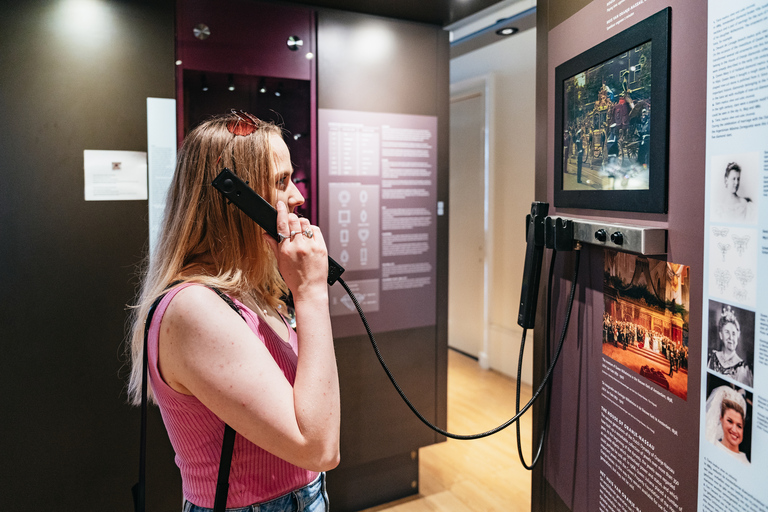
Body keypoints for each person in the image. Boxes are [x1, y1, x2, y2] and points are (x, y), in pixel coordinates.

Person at [127, 111, 340, 511]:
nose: (297, 196)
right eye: (281, 182)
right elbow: (319, 448)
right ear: (235, 198)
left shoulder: (250, 291)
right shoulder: (193, 308)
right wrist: (311, 293)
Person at [707, 305, 753, 387]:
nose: (731, 338)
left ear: (738, 336)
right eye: (727, 332)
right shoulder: (713, 358)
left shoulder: (742, 368)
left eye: (734, 333)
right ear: (721, 335)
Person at [717, 398, 749, 464]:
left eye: (739, 426)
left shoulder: (746, 463)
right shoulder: (712, 445)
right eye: (730, 421)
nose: (734, 430)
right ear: (721, 418)